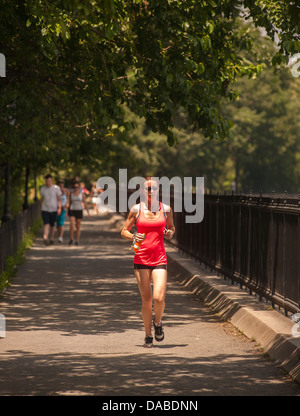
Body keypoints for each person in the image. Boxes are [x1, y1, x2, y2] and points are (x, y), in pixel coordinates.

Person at [121, 176, 175, 347]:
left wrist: (170, 232)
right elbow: (124, 231)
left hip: (159, 258)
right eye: (147, 189)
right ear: (142, 191)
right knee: (147, 299)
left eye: (154, 188)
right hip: (141, 258)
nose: (151, 191)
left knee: (159, 298)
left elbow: (172, 227)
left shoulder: (166, 209)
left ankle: (157, 323)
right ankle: (147, 335)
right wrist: (133, 236)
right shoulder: (136, 209)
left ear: (159, 190)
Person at [67, 180, 90, 245]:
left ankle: (77, 240)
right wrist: (66, 211)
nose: (76, 188)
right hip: (72, 210)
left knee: (78, 226)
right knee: (71, 225)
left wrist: (88, 212)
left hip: (79, 210)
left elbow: (85, 202)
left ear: (79, 187)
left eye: (77, 187)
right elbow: (68, 202)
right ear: (73, 188)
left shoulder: (81, 194)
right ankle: (71, 238)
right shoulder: (70, 194)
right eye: (75, 187)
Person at [40, 174, 62, 245]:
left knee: (52, 225)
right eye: (47, 181)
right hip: (45, 209)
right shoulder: (43, 189)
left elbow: (59, 199)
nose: (48, 182)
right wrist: (41, 207)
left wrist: (59, 208)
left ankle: (51, 238)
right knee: (46, 223)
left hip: (53, 209)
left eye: (49, 181)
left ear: (51, 181)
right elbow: (41, 199)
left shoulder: (56, 188)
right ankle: (45, 237)